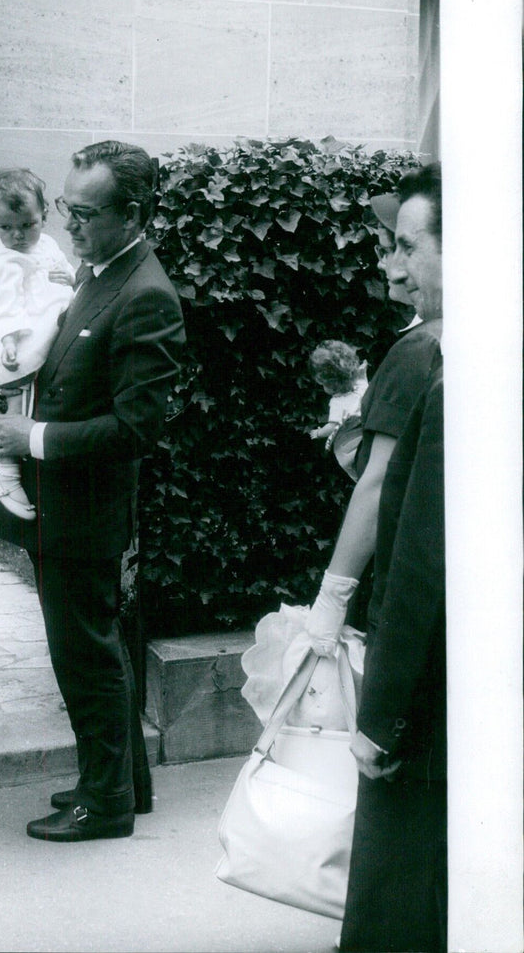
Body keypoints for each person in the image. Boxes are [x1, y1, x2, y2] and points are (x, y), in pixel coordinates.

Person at [0, 140, 186, 842]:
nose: (68, 224)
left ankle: (105, 806)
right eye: (67, 207)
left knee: (87, 656)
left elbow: (136, 430)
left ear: (133, 214)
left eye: (85, 212)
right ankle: (120, 783)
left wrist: (30, 440)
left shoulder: (146, 293)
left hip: (85, 514)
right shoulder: (101, 271)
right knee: (95, 650)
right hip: (68, 510)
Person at [340, 179, 445, 949]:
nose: (393, 264)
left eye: (407, 244)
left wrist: (380, 715)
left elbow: (416, 556)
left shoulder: (430, 357)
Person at [304, 164, 443, 647]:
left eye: (402, 247)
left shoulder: (419, 347)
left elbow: (380, 479)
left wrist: (332, 596)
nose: (390, 266)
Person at [0, 169, 75, 520]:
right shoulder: (5, 260)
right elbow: (6, 305)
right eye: (5, 228)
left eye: (27, 225)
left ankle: (13, 468)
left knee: (30, 397)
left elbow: (66, 270)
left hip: (42, 318)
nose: (17, 235)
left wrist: (70, 278)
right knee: (17, 393)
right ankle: (7, 472)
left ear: (44, 217)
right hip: (16, 331)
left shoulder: (49, 244)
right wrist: (9, 340)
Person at [308, 340, 369, 479]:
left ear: (331, 386)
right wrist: (360, 370)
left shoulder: (337, 402)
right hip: (367, 435)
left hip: (350, 444)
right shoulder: (360, 388)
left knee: (351, 466)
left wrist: (318, 433)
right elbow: (362, 378)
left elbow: (332, 426)